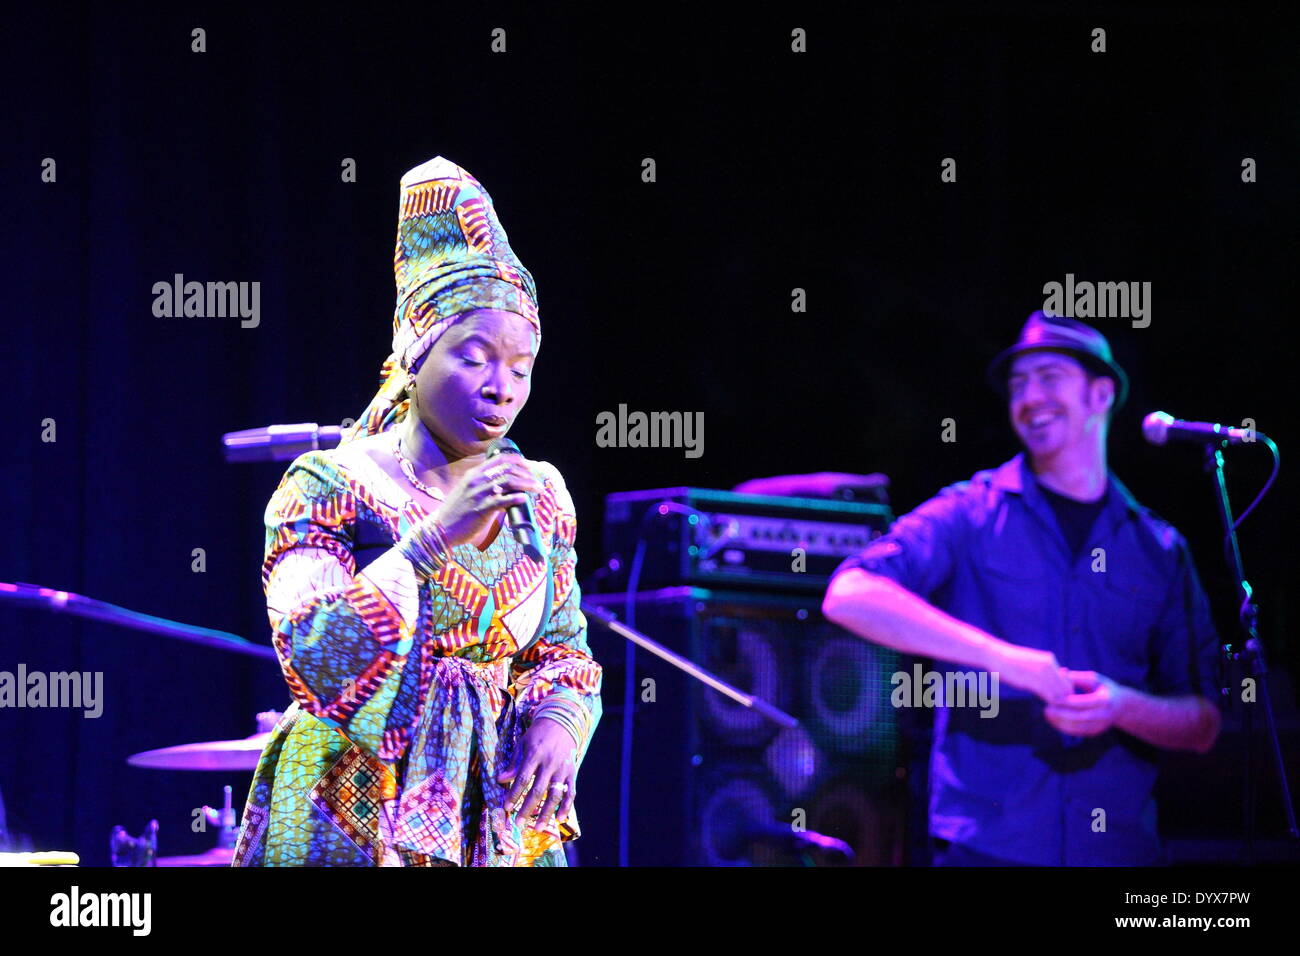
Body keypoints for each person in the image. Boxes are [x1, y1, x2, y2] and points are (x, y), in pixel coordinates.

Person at [232, 157, 601, 867]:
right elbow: (315, 656)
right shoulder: (327, 482)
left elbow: (562, 651)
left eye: (520, 368)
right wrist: (430, 542)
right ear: (414, 354)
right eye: (474, 357)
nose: (501, 388)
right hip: (347, 808)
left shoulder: (540, 496)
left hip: (491, 810)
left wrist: (558, 722)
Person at [822, 311, 1223, 866]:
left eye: (1050, 377)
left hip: (1118, 854)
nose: (1030, 398)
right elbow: (849, 593)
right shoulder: (970, 511)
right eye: (1018, 383)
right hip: (988, 849)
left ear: (1101, 394)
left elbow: (1202, 723)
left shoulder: (1159, 548)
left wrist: (1121, 706)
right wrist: (1002, 660)